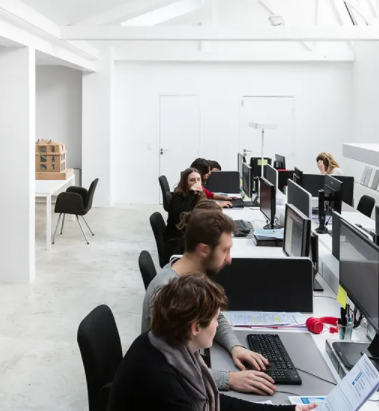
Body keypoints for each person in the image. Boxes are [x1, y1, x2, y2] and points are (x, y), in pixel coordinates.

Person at [115, 273, 316, 411]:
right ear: (195, 328)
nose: (218, 325)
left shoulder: (160, 343)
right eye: (214, 319)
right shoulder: (166, 385)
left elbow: (215, 400)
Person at [143, 210, 277, 396]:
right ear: (204, 250)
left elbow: (215, 315)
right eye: (225, 250)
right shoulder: (168, 292)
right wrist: (229, 379)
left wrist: (235, 346)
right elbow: (176, 368)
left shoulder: (192, 275)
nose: (229, 259)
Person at [166, 168, 206, 243]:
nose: (196, 183)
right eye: (192, 180)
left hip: (189, 230)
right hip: (178, 236)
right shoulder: (178, 196)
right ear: (185, 183)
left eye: (198, 179)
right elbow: (181, 216)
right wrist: (191, 193)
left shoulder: (198, 195)